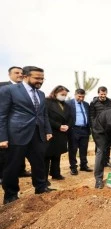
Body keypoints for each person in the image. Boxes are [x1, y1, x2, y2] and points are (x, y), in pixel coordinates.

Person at [0, 66, 55, 205]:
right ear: (25, 76)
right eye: (37, 78)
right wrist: (2, 137)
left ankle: (41, 188)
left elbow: (43, 114)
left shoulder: (41, 94)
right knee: (12, 166)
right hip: (16, 135)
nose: (40, 81)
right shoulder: (8, 90)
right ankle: (11, 195)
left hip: (37, 135)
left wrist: (48, 130)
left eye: (42, 78)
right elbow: (2, 115)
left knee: (39, 164)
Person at [0, 66, 32, 180]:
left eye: (21, 72)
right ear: (9, 74)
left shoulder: (27, 89)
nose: (19, 74)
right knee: (4, 152)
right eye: (16, 72)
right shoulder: (2, 86)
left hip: (23, 125)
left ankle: (21, 170)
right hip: (5, 124)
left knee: (21, 148)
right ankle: (2, 175)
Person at [44, 85, 72, 185]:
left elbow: (71, 117)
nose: (64, 96)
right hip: (51, 131)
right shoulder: (47, 102)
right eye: (62, 94)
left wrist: (68, 126)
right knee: (47, 155)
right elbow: (45, 117)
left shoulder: (67, 105)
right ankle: (44, 178)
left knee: (57, 154)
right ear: (55, 93)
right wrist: (58, 126)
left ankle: (55, 173)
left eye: (65, 95)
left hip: (62, 133)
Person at [66, 89, 92, 175]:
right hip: (74, 129)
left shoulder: (86, 104)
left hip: (84, 129)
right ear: (75, 95)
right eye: (79, 96)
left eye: (83, 97)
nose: (81, 98)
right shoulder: (68, 103)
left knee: (84, 149)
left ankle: (83, 165)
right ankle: (73, 167)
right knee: (73, 149)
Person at [89, 86, 111, 167]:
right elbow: (92, 116)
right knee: (99, 146)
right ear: (98, 93)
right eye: (101, 94)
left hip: (108, 127)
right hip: (98, 128)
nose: (103, 96)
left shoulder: (110, 102)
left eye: (104, 94)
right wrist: (94, 127)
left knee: (108, 145)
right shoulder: (93, 103)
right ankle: (99, 163)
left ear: (106, 93)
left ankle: (106, 161)